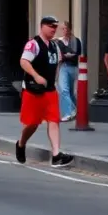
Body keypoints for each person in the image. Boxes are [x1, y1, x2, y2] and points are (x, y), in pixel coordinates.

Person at [16, 16, 74, 167]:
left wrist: (54, 80)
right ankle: (21, 144)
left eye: (55, 26)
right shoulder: (33, 44)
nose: (53, 29)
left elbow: (59, 62)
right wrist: (36, 76)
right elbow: (24, 61)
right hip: (33, 90)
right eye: (50, 26)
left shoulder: (55, 46)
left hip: (49, 90)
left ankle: (56, 155)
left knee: (54, 120)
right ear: (42, 27)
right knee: (32, 123)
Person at [55, 22, 82, 122]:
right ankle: (69, 112)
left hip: (73, 67)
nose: (64, 31)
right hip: (64, 67)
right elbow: (60, 56)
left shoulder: (75, 40)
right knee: (64, 90)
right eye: (63, 29)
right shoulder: (59, 42)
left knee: (70, 92)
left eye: (66, 28)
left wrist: (69, 55)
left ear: (70, 29)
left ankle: (76, 111)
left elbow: (77, 53)